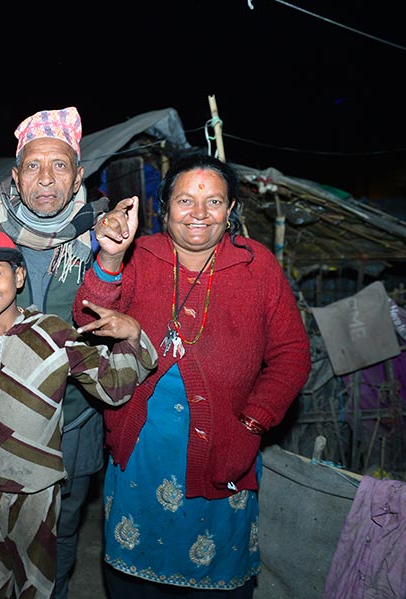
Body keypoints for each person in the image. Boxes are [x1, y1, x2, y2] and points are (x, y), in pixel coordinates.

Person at [72, 151, 312, 598]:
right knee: (134, 577)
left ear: (232, 210)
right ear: (163, 210)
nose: (199, 213)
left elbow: (293, 354)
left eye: (214, 202)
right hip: (142, 449)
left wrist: (253, 422)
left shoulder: (256, 265)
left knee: (215, 578)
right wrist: (108, 258)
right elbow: (87, 316)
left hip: (226, 446)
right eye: (185, 201)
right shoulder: (140, 255)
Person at [0, 230, 158, 599]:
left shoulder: (54, 333)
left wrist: (133, 336)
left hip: (36, 487)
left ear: (19, 277)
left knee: (36, 583)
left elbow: (115, 388)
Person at [0, 106, 115, 599]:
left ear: (78, 177)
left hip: (72, 418)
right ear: (16, 175)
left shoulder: (103, 237)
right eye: (33, 165)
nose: (46, 178)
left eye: (59, 165)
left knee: (62, 534)